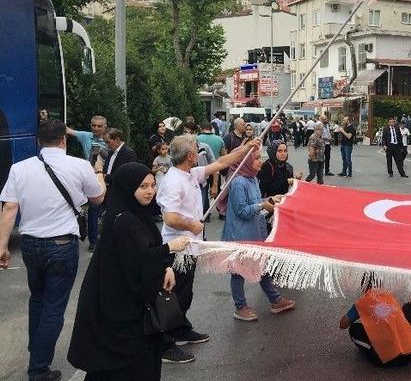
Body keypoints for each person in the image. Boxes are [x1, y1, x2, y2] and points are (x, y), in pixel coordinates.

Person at [0, 120, 106, 381]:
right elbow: (98, 198)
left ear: (38, 141)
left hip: (30, 246)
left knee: (38, 300)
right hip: (61, 245)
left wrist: (2, 246)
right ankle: (38, 368)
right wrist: (100, 172)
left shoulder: (19, 168)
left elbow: (9, 209)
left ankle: (36, 351)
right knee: (53, 307)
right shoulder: (79, 166)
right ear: (63, 140)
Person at [67, 163, 190, 381]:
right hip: (121, 314)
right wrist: (169, 249)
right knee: (125, 369)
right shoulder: (125, 221)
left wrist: (166, 266)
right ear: (127, 187)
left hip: (123, 311)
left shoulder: (134, 215)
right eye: (142, 186)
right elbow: (137, 268)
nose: (150, 191)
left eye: (152, 185)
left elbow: (145, 253)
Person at [156, 134, 261, 363]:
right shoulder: (173, 181)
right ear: (191, 156)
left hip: (191, 247)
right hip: (177, 250)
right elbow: (170, 218)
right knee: (174, 297)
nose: (199, 150)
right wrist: (192, 224)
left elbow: (223, 163)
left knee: (186, 293)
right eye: (196, 148)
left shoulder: (190, 173)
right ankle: (165, 344)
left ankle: (181, 329)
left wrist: (246, 147)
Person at [221, 149, 296, 321]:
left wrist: (269, 200)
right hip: (240, 235)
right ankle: (240, 307)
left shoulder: (252, 178)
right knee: (238, 272)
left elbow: (254, 203)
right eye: (256, 159)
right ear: (245, 162)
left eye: (260, 158)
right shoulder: (239, 182)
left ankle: (275, 300)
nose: (260, 161)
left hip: (254, 231)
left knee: (262, 266)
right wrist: (262, 206)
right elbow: (241, 210)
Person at [339, 287, 411, 367]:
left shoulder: (362, 303)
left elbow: (343, 325)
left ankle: (375, 351)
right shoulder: (390, 298)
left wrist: (357, 308)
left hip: (385, 360)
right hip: (408, 356)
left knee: (354, 329)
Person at [66, 115, 109, 252]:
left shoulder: (109, 139)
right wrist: (44, 119)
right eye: (93, 125)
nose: (95, 128)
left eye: (99, 126)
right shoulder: (85, 136)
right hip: (92, 177)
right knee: (94, 208)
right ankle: (93, 241)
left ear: (105, 127)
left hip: (108, 177)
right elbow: (67, 130)